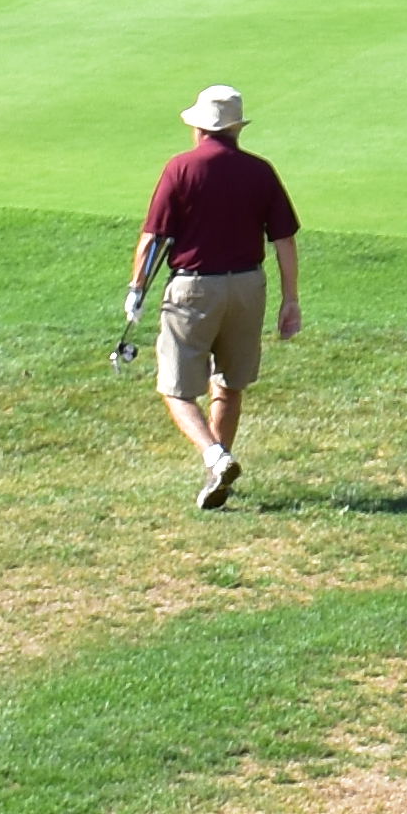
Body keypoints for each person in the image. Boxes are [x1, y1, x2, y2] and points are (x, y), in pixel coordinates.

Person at [125, 83, 303, 509]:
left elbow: (153, 239)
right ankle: (216, 476)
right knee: (230, 382)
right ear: (236, 128)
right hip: (248, 286)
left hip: (193, 289)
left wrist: (136, 289)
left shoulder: (181, 168)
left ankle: (215, 456)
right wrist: (290, 299)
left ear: (200, 129)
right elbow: (284, 240)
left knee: (176, 389)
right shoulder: (260, 171)